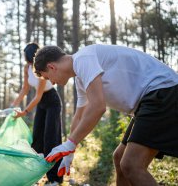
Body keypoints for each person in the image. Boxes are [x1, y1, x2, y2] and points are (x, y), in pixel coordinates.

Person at [33, 44, 178, 186]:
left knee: (131, 165)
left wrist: (70, 143)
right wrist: (70, 151)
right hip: (148, 101)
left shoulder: (83, 59)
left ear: (52, 67)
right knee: (119, 159)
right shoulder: (80, 78)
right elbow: (79, 116)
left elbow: (98, 107)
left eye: (48, 78)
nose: (52, 82)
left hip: (162, 90)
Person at [12, 43, 63, 186]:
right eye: (28, 61)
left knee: (51, 140)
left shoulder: (40, 69)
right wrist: (12, 106)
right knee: (37, 140)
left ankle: (54, 179)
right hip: (41, 104)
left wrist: (24, 112)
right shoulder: (27, 68)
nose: (29, 64)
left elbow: (38, 96)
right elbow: (25, 88)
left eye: (30, 61)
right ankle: (34, 176)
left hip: (52, 101)